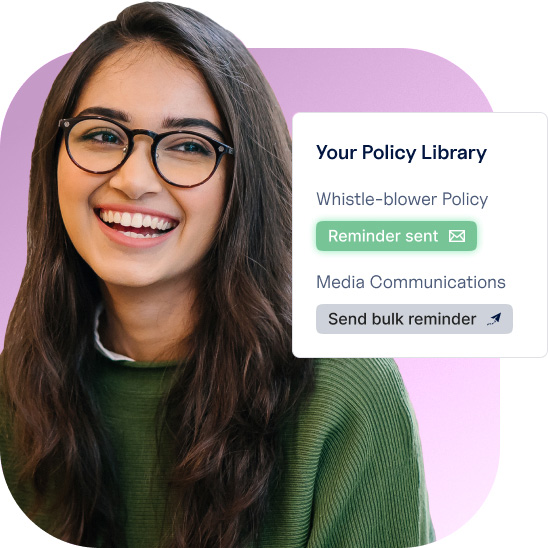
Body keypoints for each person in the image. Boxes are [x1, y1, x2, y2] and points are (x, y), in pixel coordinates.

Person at [0, 3, 435, 547]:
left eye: (188, 146)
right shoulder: (11, 392)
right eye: (103, 135)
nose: (133, 181)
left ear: (243, 183)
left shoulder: (347, 394)